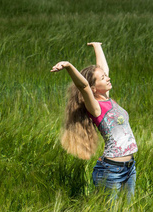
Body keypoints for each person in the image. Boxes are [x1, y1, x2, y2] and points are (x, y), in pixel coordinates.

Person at [51, 42, 138, 203]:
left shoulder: (108, 99)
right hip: (111, 171)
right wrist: (69, 66)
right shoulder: (96, 108)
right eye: (103, 78)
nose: (108, 78)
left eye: (106, 76)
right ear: (93, 88)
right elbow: (83, 85)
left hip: (130, 168)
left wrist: (97, 46)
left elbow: (103, 68)